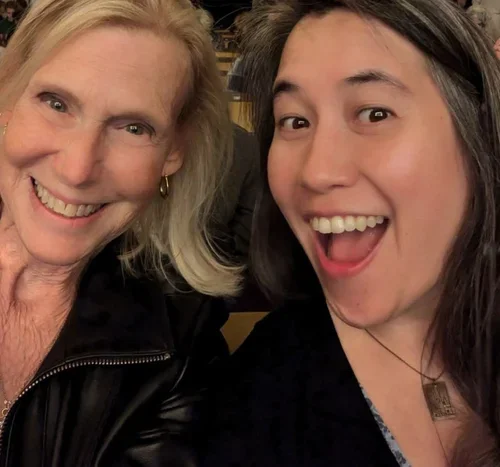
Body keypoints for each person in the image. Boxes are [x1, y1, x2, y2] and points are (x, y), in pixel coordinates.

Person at [201, 0, 500, 465]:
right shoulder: (256, 404)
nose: (317, 172)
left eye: (374, 113)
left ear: (475, 133)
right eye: (295, 121)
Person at [0, 0, 242, 465]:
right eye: (56, 103)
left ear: (174, 152)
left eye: (134, 127)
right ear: (9, 96)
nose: (77, 169)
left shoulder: (180, 344)